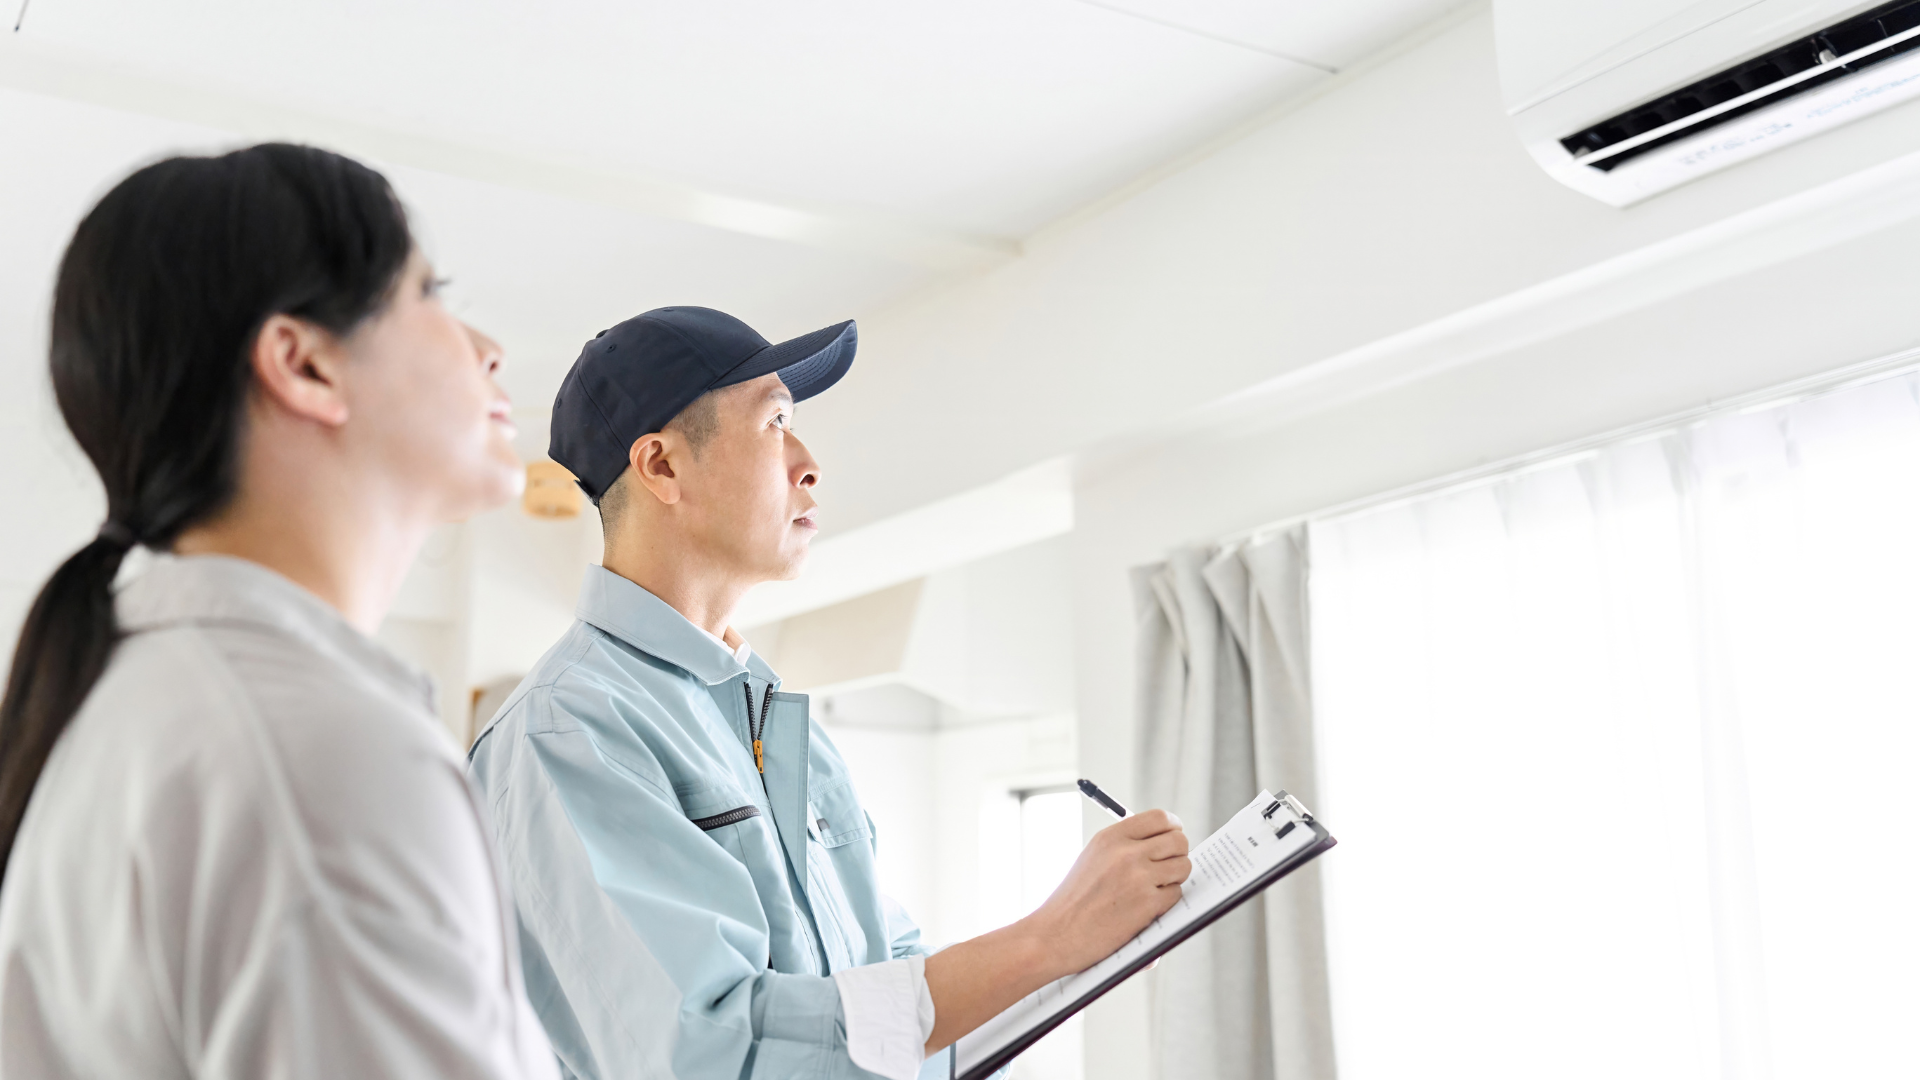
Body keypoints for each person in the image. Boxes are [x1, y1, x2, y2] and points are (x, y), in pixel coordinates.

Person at [467, 306, 1192, 1080]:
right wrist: (1048, 940)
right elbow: (713, 1050)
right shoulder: (567, 729)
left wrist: (1078, 955)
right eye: (775, 422)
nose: (809, 463)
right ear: (661, 467)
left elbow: (893, 993)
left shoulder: (776, 719)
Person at [0, 144, 558, 1079]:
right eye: (430, 292)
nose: (488, 347)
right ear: (302, 364)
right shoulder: (319, 754)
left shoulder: (151, 699)